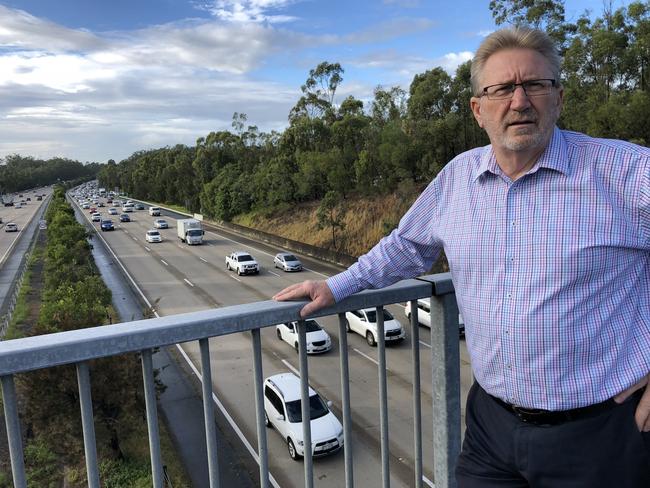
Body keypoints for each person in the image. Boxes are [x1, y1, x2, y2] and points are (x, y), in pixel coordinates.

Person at [274, 26, 650, 487]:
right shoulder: (458, 178)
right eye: (502, 89)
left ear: (559, 98)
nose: (520, 101)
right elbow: (406, 246)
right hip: (491, 427)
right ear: (478, 109)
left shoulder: (624, 172)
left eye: (535, 84)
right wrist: (337, 286)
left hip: (600, 434)